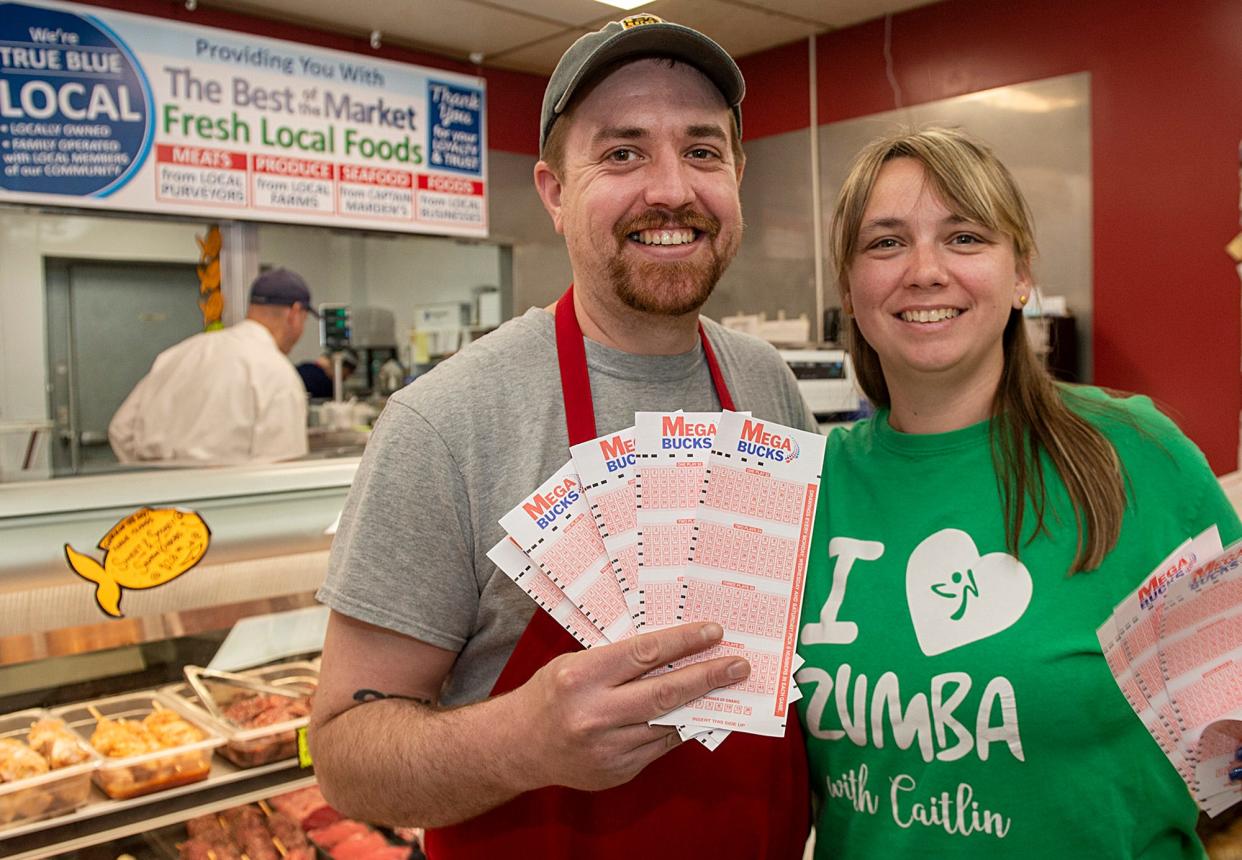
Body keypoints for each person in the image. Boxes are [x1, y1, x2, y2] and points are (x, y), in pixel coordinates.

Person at [309, 15, 817, 859]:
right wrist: (521, 739)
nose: (670, 189)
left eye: (701, 151)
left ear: (735, 177)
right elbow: (343, 757)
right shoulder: (446, 424)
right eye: (621, 153)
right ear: (552, 191)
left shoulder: (770, 388)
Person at [796, 127, 1242, 857]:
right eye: (885, 243)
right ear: (848, 286)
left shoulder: (1134, 455)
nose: (925, 270)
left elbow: (1231, 746)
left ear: (1022, 273)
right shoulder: (808, 490)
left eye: (965, 237)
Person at [108, 268, 313, 466]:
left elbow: (120, 429)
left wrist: (153, 476)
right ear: (294, 314)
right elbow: (283, 467)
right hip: (232, 496)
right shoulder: (276, 372)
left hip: (159, 496)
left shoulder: (180, 353)